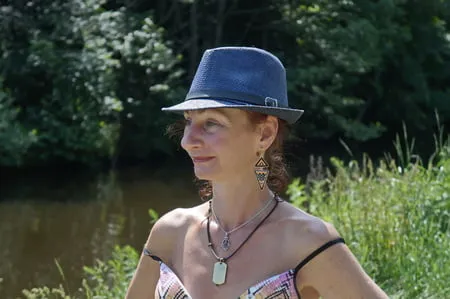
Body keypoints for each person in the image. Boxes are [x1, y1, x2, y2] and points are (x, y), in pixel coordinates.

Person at [125, 47, 388, 299]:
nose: (187, 140)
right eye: (189, 122)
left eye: (212, 123)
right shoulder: (171, 233)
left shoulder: (306, 241)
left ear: (265, 134)